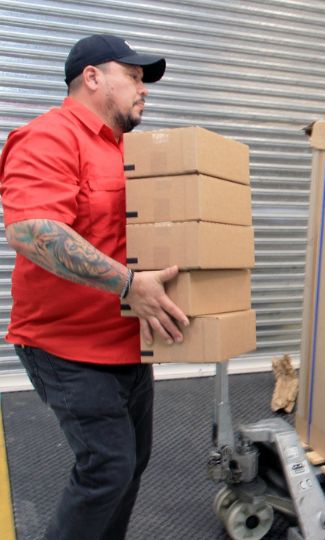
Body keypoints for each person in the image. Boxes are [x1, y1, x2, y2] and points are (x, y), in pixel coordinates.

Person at [0, 34, 190, 540]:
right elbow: (31, 230)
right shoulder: (48, 137)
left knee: (131, 463)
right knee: (107, 467)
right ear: (92, 78)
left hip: (127, 343)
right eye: (133, 76)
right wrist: (129, 284)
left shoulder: (129, 150)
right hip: (65, 346)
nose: (143, 88)